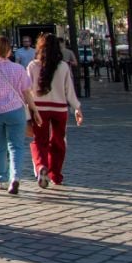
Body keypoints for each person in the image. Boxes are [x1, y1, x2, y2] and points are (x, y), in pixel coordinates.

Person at [27, 33, 83, 188]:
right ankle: (56, 174)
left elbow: (27, 91)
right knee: (58, 141)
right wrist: (77, 108)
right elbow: (69, 90)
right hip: (59, 108)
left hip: (39, 108)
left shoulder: (32, 66)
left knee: (40, 141)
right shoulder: (63, 66)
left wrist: (28, 112)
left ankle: (41, 166)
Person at [0, 36, 42, 194]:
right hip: (15, 110)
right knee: (16, 146)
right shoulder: (18, 69)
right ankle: (15, 178)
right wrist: (35, 111)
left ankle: (2, 179)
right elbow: (26, 93)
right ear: (9, 50)